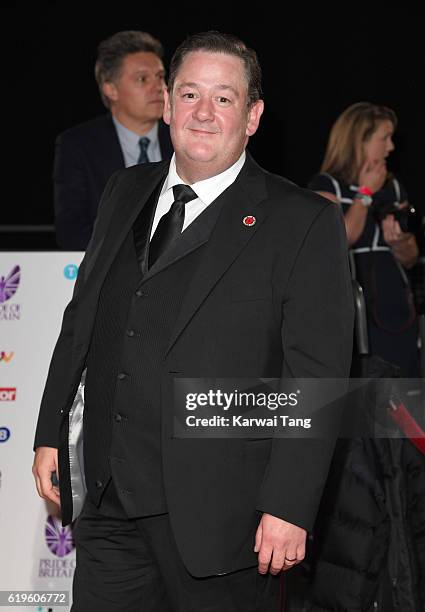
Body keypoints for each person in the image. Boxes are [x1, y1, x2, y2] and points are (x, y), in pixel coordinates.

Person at [33, 31, 354, 611]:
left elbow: (317, 380)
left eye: (224, 98)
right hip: (110, 506)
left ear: (253, 116)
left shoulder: (301, 221)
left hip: (224, 525)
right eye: (188, 94)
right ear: (169, 103)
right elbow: (83, 321)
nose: (203, 113)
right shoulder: (124, 190)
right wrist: (49, 434)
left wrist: (289, 505)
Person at [309, 102, 419, 377]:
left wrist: (400, 242)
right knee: (362, 399)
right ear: (360, 140)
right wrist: (366, 193)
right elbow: (340, 238)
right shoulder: (326, 185)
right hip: (352, 310)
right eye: (384, 138)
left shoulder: (393, 187)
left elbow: (411, 258)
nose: (391, 147)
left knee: (404, 396)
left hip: (395, 306)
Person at [54, 30, 173, 250]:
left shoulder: (184, 136)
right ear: (111, 89)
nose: (160, 87)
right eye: (142, 79)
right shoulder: (78, 145)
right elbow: (71, 230)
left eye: (160, 76)